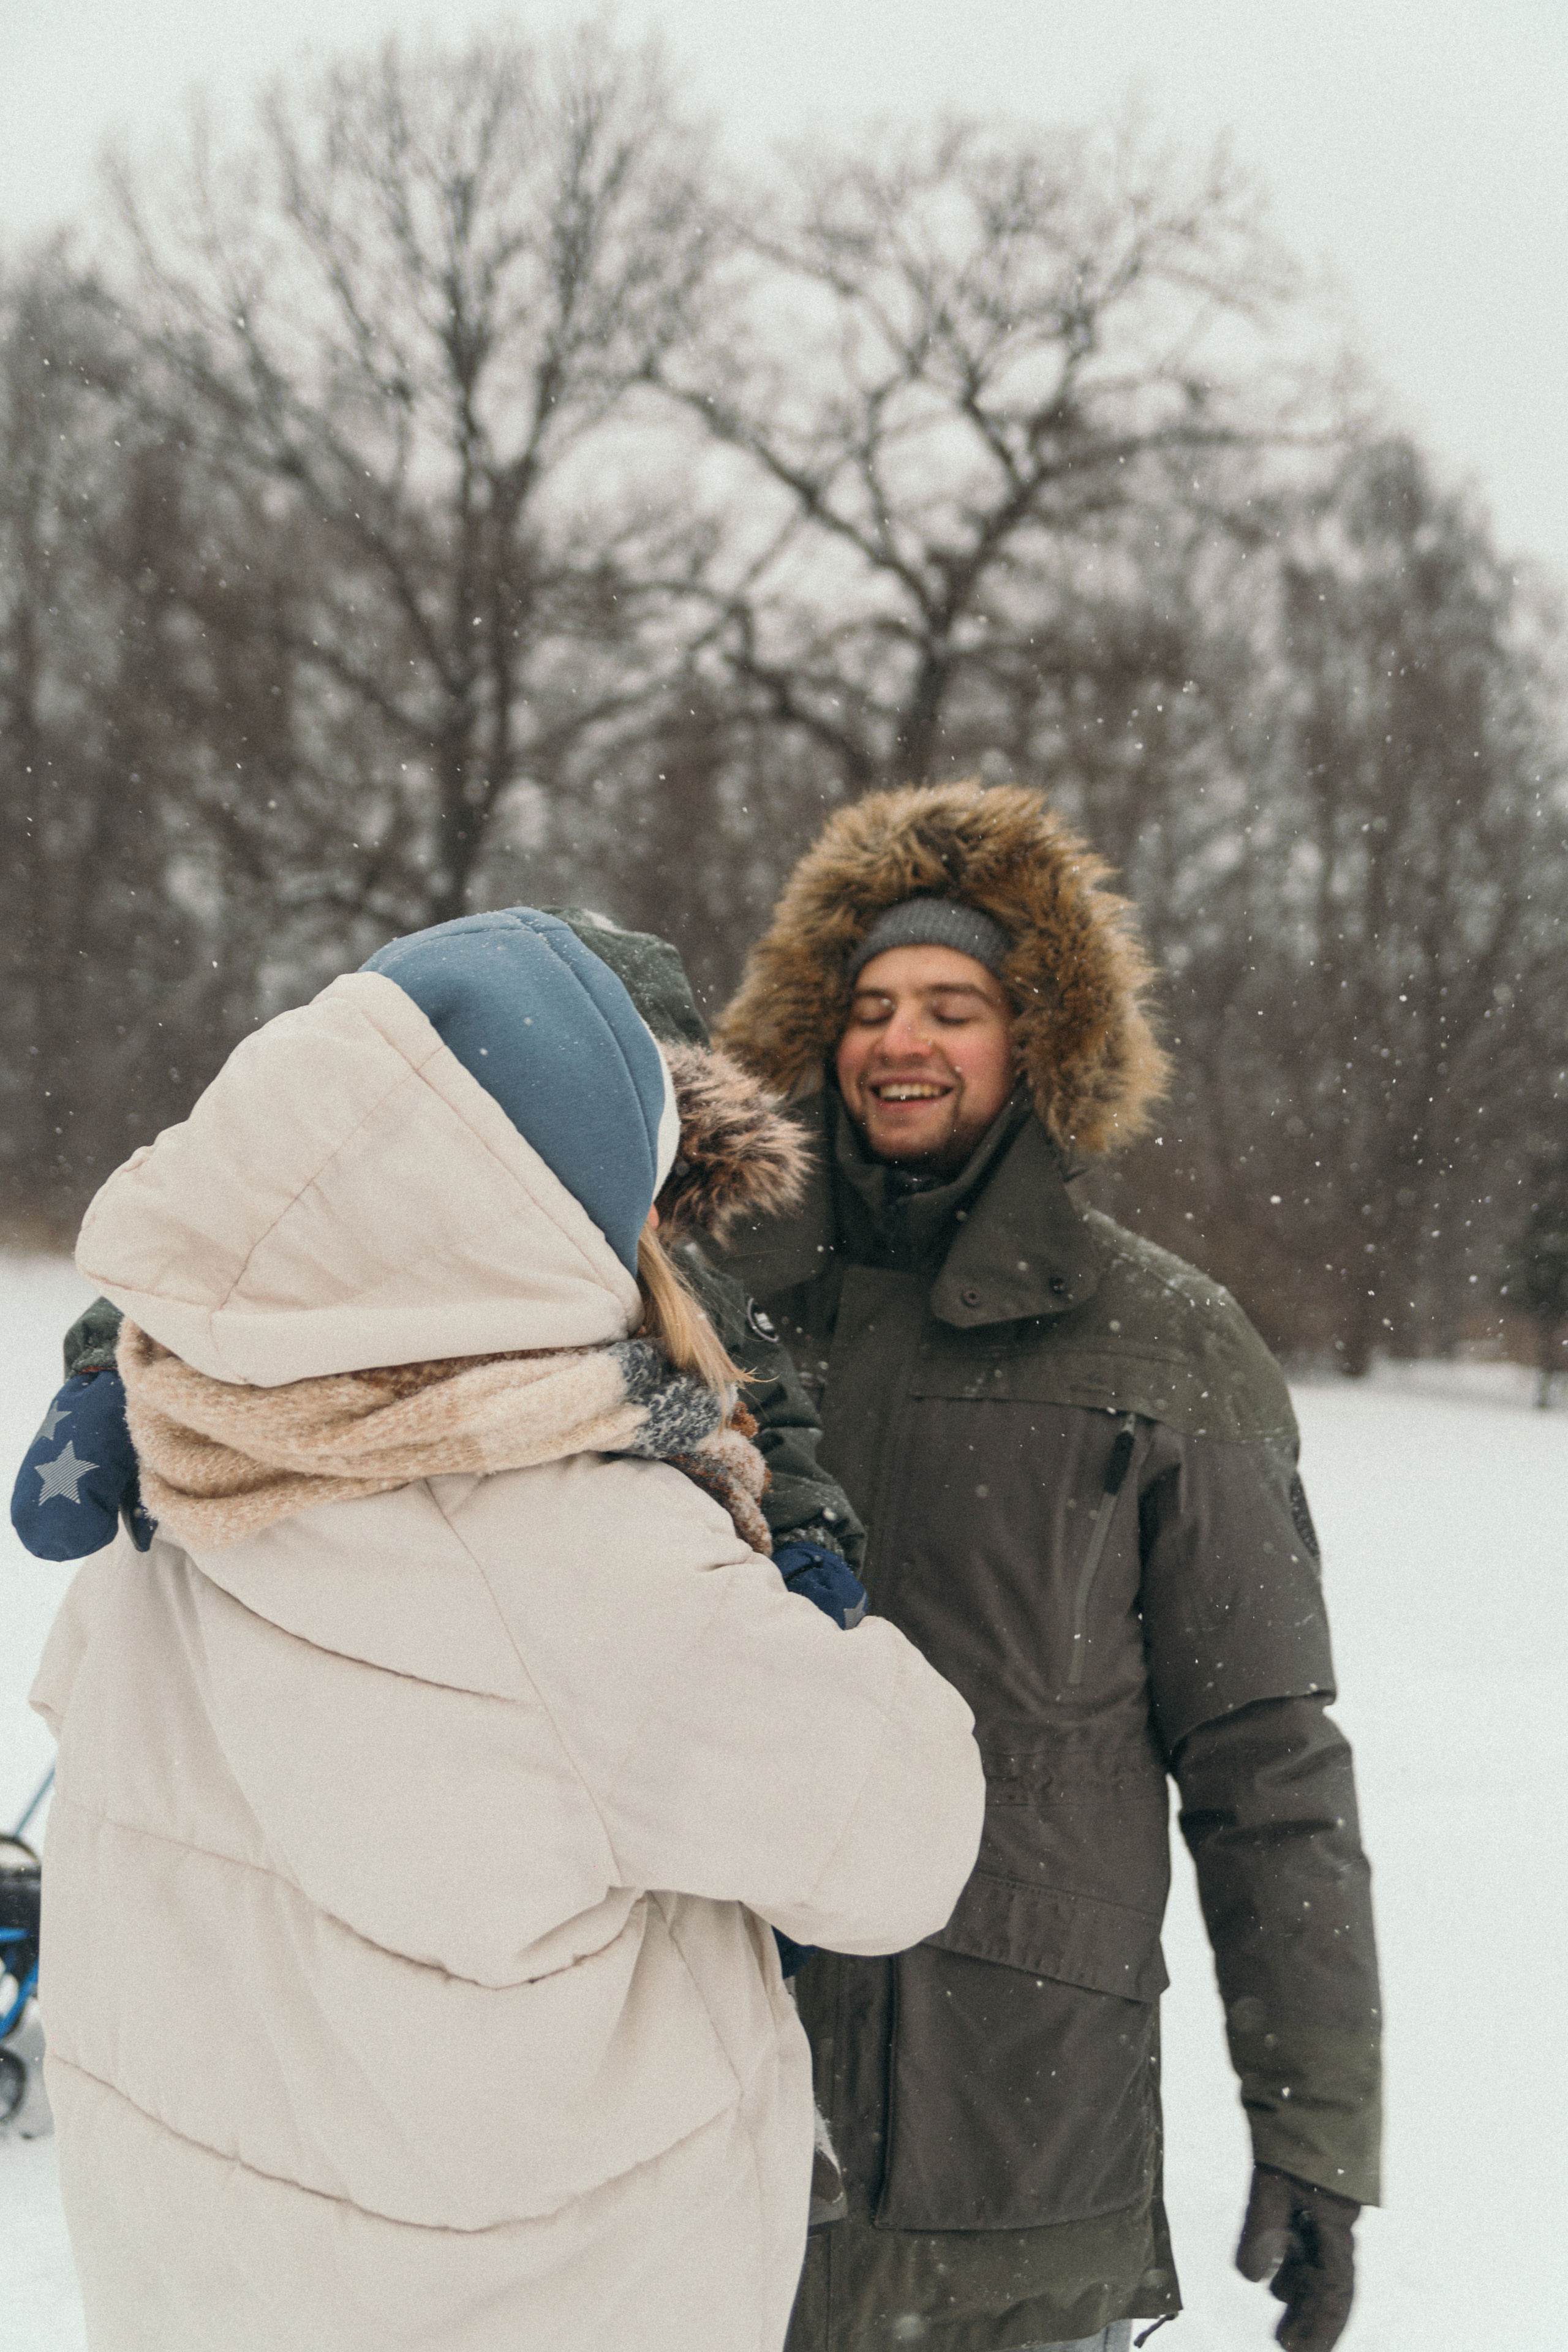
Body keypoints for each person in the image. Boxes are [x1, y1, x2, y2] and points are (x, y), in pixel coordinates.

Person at [28, 905, 985, 2352]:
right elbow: (903, 1835)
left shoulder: (182, 1463)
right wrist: (778, 1579)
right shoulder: (587, 1546)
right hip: (527, 2297)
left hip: (204, 2279)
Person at [711, 783, 1382, 2352]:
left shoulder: (1164, 1343)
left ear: (1038, 1040)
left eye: (953, 1005)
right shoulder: (705, 1315)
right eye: (870, 1006)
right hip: (711, 2111)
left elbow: (1266, 1763)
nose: (901, 1042)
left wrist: (1315, 2135)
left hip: (1014, 2134)